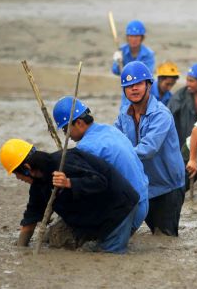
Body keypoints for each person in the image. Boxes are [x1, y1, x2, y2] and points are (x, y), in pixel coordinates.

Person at [0, 139, 139, 254]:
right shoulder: (38, 184)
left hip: (119, 209)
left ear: (27, 168)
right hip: (91, 213)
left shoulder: (64, 162)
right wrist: (21, 249)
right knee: (55, 241)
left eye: (17, 174)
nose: (17, 178)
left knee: (107, 255)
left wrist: (69, 182)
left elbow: (100, 182)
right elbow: (32, 215)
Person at [52, 96, 149, 233]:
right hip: (144, 201)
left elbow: (89, 187)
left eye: (65, 130)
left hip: (130, 209)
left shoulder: (87, 147)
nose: (66, 136)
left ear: (79, 123)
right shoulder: (109, 130)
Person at [114, 61, 185, 236]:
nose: (134, 89)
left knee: (165, 237)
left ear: (148, 85)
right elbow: (114, 139)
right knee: (133, 233)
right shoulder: (124, 113)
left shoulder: (161, 114)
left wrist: (118, 157)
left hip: (167, 186)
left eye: (138, 84)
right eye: (128, 86)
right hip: (142, 184)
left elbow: (148, 149)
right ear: (124, 90)